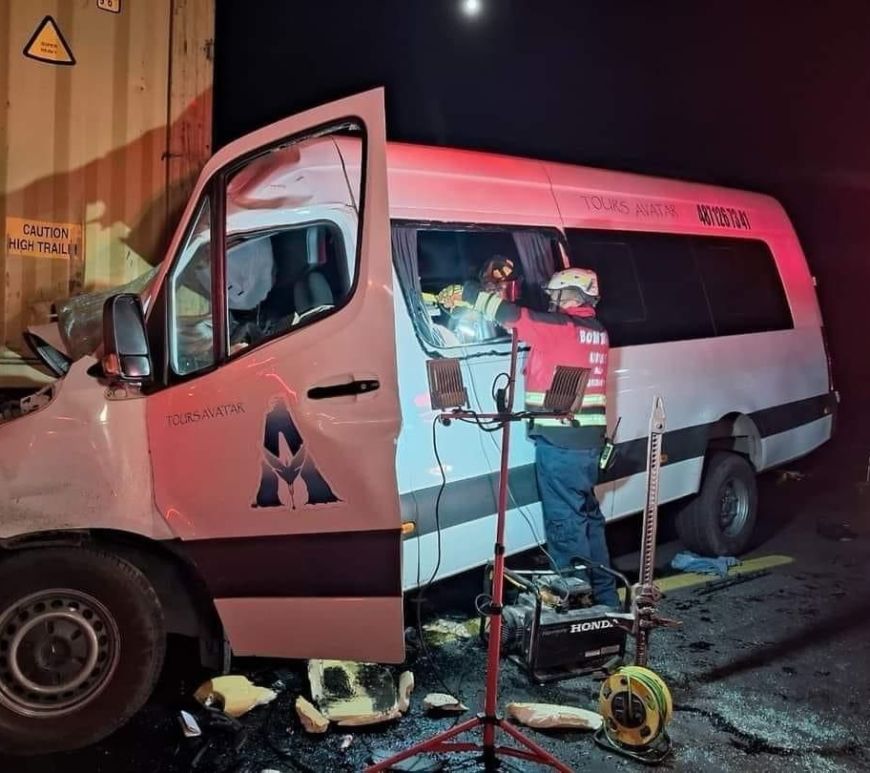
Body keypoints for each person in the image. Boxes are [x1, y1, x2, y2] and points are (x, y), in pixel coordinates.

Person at [438, 267, 618, 607]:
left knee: (566, 527)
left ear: (573, 295)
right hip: (588, 446)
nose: (552, 300)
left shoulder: (560, 328)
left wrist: (469, 292)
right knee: (588, 522)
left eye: (556, 294)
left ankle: (575, 607)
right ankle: (608, 601)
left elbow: (512, 315)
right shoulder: (596, 331)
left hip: (561, 446)